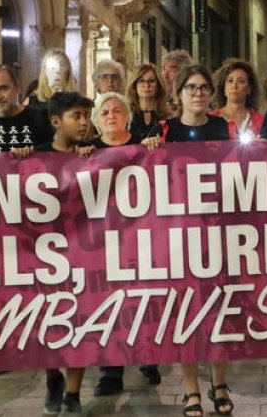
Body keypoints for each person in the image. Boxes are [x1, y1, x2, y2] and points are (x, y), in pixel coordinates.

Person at [149, 65, 234, 417]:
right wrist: (147, 147)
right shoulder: (164, 130)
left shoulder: (221, 128)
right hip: (177, 234)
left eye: (203, 88)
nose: (197, 93)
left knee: (218, 309)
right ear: (178, 93)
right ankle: (190, 388)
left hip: (216, 231)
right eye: (191, 88)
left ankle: (219, 382)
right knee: (185, 312)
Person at [85, 92, 164, 396]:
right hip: (104, 240)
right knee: (109, 302)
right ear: (96, 120)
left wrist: (154, 148)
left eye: (117, 110)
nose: (111, 116)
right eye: (104, 112)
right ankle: (111, 370)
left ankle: (148, 356)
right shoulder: (89, 151)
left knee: (144, 299)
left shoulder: (145, 144)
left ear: (128, 116)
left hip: (143, 235)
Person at [31, 91, 95, 414]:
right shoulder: (35, 157)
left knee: (81, 321)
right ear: (56, 122)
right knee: (49, 322)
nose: (84, 123)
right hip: (45, 257)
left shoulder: (95, 155)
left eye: (86, 115)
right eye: (76, 117)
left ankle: (72, 392)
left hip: (85, 256)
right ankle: (53, 375)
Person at [0, 64, 52, 156]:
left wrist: (33, 152)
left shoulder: (40, 118)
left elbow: (58, 151)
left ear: (17, 88)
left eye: (3, 88)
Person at [210, 58, 264, 139]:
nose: (234, 86)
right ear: (224, 89)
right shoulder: (210, 119)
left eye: (241, 81)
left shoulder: (260, 120)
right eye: (230, 81)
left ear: (249, 89)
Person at [127, 63, 167, 137]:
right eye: (142, 81)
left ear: (158, 86)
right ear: (134, 86)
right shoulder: (126, 115)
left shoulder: (168, 115)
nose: (147, 85)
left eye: (151, 81)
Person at [159, 48, 193, 116]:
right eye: (163, 69)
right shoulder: (158, 101)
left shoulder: (195, 100)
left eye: (171, 70)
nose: (165, 75)